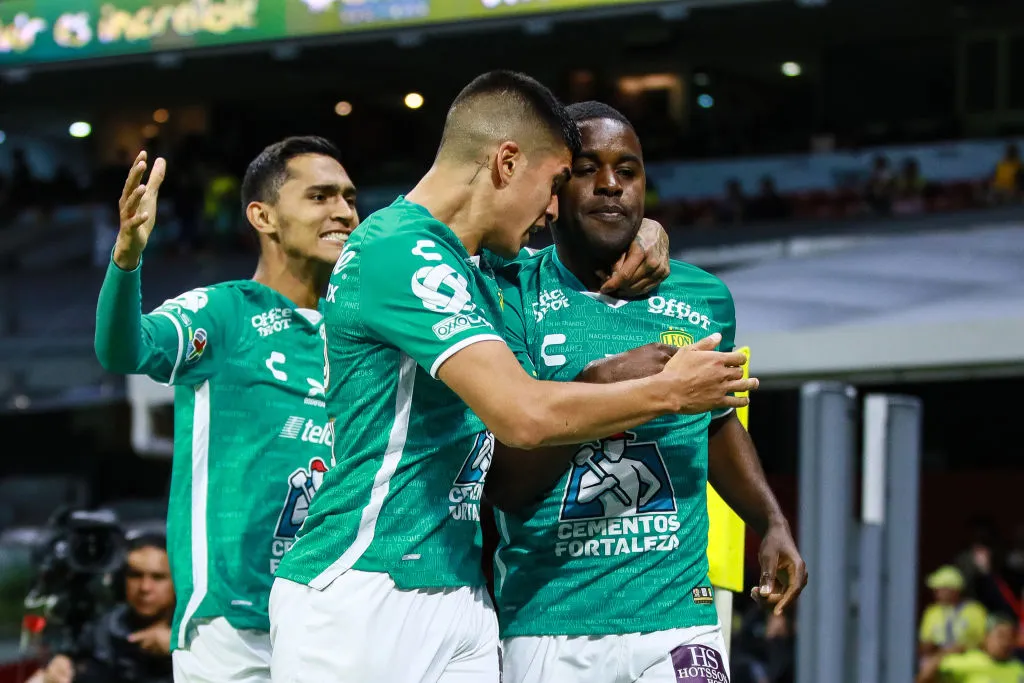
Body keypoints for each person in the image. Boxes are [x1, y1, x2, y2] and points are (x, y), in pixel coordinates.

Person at [269, 70, 756, 683]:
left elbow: (580, 250)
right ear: (505, 163)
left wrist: (643, 233)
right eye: (555, 183)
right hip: (366, 583)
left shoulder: (475, 262)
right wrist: (669, 391)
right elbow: (523, 416)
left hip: (462, 593)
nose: (555, 208)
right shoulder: (399, 252)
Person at [485, 101, 805, 683]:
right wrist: (604, 386)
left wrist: (772, 521)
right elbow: (505, 485)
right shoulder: (510, 294)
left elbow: (715, 422)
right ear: (553, 189)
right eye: (588, 169)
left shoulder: (703, 297)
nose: (611, 185)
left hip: (680, 619)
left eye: (627, 171)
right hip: (549, 621)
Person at [94, 136, 359, 683]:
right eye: (320, 196)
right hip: (234, 628)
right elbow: (124, 349)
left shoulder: (360, 332)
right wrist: (127, 259)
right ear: (262, 216)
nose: (343, 212)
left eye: (349, 198)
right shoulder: (224, 313)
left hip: (338, 617)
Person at [28, 533, 176, 683]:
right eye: (135, 575)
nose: (145, 588)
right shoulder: (103, 629)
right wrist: (59, 663)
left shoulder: (196, 632)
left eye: (158, 577)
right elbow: (70, 652)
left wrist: (183, 650)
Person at [917, 616, 1024, 683]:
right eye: (1000, 636)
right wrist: (943, 654)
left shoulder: (1019, 670)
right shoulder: (964, 662)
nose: (1005, 642)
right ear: (986, 637)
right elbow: (923, 679)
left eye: (1010, 637)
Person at [919, 566, 989, 659]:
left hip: (968, 664)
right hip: (938, 664)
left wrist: (964, 648)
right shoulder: (932, 612)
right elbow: (924, 644)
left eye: (941, 590)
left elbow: (985, 642)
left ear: (954, 590)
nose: (937, 594)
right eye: (936, 590)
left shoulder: (975, 611)